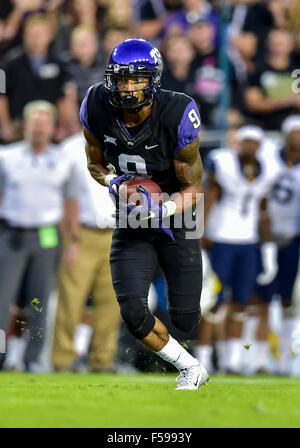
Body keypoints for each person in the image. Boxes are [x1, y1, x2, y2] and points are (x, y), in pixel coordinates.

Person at [80, 38, 209, 390]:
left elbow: (194, 188)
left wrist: (161, 208)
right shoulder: (95, 104)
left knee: (185, 319)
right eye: (121, 79)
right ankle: (190, 368)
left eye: (136, 79)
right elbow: (94, 162)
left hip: (176, 216)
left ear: (153, 80)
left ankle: (199, 348)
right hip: (131, 218)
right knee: (134, 312)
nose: (127, 87)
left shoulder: (176, 112)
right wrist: (113, 183)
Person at [0, 100, 80, 372]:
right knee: (2, 300)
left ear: (53, 127)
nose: (39, 128)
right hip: (12, 232)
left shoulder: (62, 159)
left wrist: (74, 241)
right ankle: (2, 356)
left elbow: (70, 202)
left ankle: (33, 359)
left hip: (47, 235)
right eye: (35, 122)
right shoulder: (6, 156)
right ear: (25, 125)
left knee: (40, 300)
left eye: (45, 123)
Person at [195, 125, 281, 374]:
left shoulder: (266, 171)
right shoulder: (224, 165)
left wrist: (268, 249)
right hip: (221, 239)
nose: (251, 147)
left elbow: (263, 210)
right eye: (247, 141)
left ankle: (232, 361)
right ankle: (204, 359)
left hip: (249, 242)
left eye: (255, 142)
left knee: (242, 302)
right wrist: (199, 239)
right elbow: (208, 199)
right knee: (213, 303)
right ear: (239, 143)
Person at [51, 132, 121, 373]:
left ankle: (103, 360)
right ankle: (62, 360)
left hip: (116, 232)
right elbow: (57, 194)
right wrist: (68, 237)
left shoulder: (124, 143)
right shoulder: (69, 149)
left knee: (112, 303)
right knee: (71, 300)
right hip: (81, 233)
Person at [249, 115, 300, 375]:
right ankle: (258, 359)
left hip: (292, 238)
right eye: (294, 132)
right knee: (261, 299)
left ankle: (287, 362)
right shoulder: (268, 159)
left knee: (289, 299)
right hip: (263, 238)